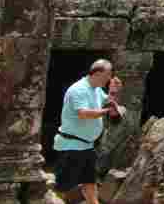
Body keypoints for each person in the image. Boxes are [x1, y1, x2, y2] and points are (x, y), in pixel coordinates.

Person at [53, 59, 125, 204]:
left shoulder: (96, 89)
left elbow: (109, 103)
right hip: (71, 146)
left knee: (90, 181)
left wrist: (113, 91)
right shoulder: (79, 89)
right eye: (108, 75)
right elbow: (83, 113)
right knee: (63, 187)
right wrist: (106, 111)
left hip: (87, 146)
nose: (110, 78)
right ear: (98, 73)